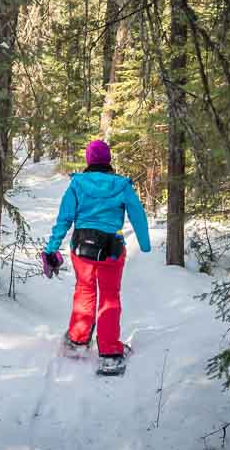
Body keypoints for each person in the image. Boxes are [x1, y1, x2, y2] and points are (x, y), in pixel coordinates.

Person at [42, 139, 151, 375]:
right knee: (109, 296)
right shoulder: (121, 185)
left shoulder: (77, 185)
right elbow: (138, 216)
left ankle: (77, 341)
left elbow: (64, 219)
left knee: (84, 290)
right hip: (111, 250)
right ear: (108, 160)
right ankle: (110, 353)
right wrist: (145, 245)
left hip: (82, 249)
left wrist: (52, 247)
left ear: (88, 160)